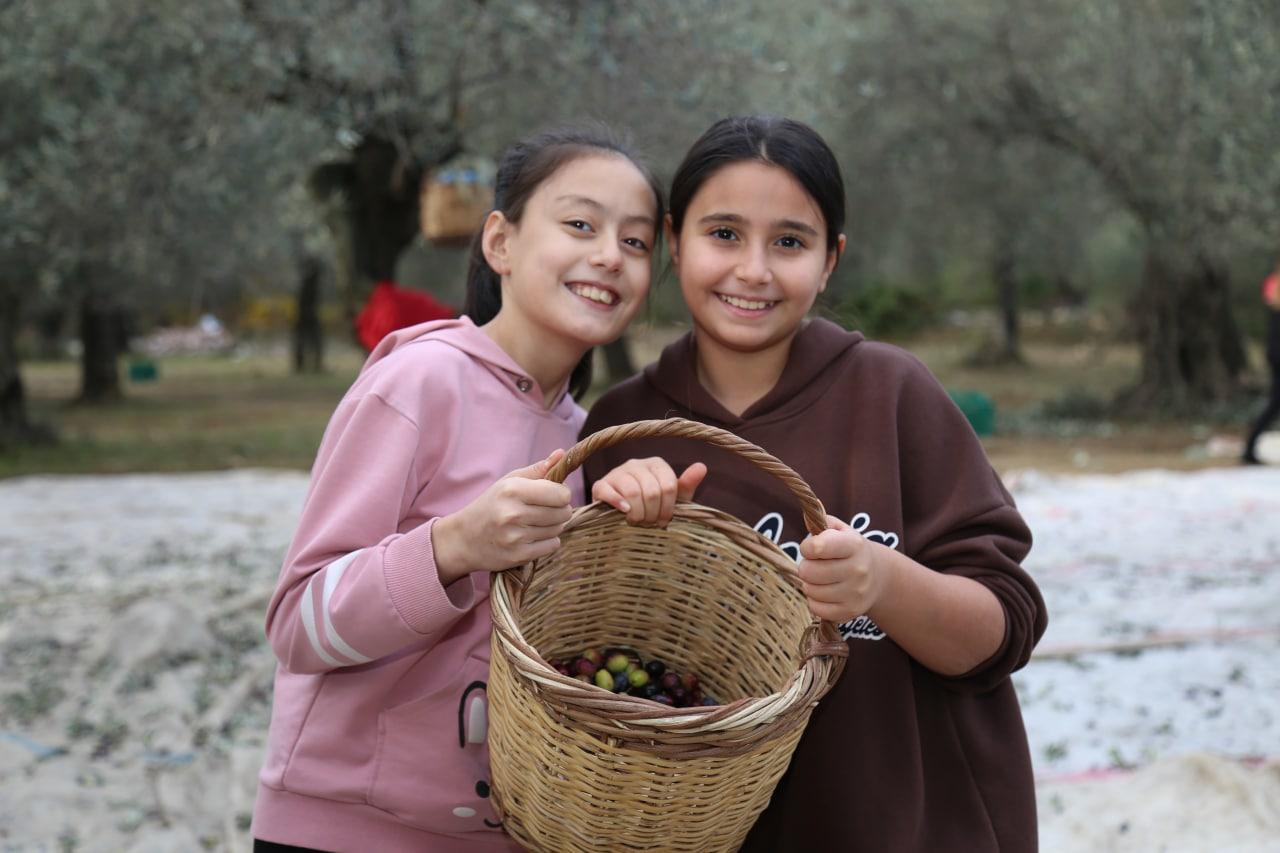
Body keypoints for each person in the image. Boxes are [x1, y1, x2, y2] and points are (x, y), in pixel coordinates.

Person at [584, 115, 1048, 852]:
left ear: (830, 259)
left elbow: (1003, 631)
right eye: (724, 234)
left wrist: (884, 584)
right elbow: (586, 660)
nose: (755, 270)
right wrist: (611, 528)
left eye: (790, 242)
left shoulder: (892, 394)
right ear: (675, 240)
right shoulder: (622, 427)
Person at [251, 125, 671, 853]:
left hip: (505, 831)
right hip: (346, 830)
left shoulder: (587, 436)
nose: (610, 254)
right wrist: (452, 546)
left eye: (636, 242)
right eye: (580, 224)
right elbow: (297, 624)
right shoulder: (418, 383)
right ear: (499, 243)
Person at [1242, 262, 1280, 465]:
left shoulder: (1272, 285)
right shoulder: (1275, 288)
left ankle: (1249, 447)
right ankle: (1249, 448)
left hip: (1274, 353)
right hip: (1277, 354)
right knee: (1274, 404)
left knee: (1274, 404)